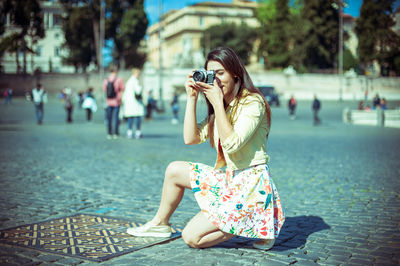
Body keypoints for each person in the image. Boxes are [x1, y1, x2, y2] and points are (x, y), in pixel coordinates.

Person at [126, 47, 285, 251]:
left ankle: (250, 221)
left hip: (250, 188)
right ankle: (160, 224)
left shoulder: (253, 103)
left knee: (192, 237)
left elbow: (232, 144)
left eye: (221, 73)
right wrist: (191, 98)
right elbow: (190, 138)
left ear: (235, 72)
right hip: (228, 180)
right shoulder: (222, 106)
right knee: (174, 170)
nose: (216, 80)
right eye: (212, 75)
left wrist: (217, 103)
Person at [122, 68, 145, 139]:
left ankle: (129, 132)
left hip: (129, 103)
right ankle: (138, 132)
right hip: (135, 103)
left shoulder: (129, 81)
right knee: (137, 116)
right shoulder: (135, 81)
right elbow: (138, 91)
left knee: (130, 118)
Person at [103, 65, 124, 139]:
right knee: (116, 118)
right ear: (116, 71)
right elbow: (122, 89)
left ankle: (109, 133)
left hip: (108, 102)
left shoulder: (106, 79)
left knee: (109, 118)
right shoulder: (119, 79)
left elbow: (104, 89)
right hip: (116, 101)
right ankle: (116, 133)